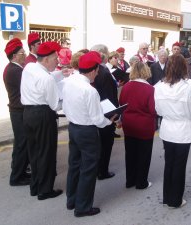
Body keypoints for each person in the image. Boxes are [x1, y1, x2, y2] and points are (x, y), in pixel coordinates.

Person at [63, 51, 117, 217]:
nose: (98, 73)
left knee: (74, 165)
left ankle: (72, 200)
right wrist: (111, 121)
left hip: (73, 127)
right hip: (87, 131)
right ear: (93, 70)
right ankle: (83, 207)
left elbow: (65, 107)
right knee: (88, 169)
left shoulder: (70, 81)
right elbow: (97, 120)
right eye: (98, 70)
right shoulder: (90, 90)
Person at [21, 41, 65, 200]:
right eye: (55, 59)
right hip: (43, 115)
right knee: (46, 152)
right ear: (45, 59)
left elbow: (47, 74)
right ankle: (45, 190)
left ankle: (35, 186)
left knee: (34, 153)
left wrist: (62, 73)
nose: (57, 62)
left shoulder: (30, 67)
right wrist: (67, 96)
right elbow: (55, 105)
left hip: (27, 114)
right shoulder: (47, 79)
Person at [154, 54, 191, 208]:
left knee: (169, 164)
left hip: (167, 128)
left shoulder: (159, 87)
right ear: (183, 68)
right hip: (182, 130)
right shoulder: (188, 89)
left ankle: (168, 197)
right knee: (179, 165)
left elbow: (158, 110)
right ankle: (176, 199)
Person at [119, 61, 156, 189]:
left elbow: (121, 103)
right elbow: (152, 109)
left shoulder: (126, 87)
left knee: (130, 153)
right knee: (144, 155)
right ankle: (141, 182)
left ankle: (130, 180)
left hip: (129, 124)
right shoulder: (150, 89)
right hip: (144, 125)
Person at [3, 38, 30, 186]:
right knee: (21, 144)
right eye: (22, 53)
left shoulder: (13, 68)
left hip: (17, 111)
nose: (24, 55)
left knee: (20, 144)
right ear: (14, 56)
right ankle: (16, 177)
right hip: (18, 112)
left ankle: (19, 171)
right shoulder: (15, 70)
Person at [90, 44, 119, 180]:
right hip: (106, 113)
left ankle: (98, 169)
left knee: (99, 144)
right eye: (107, 53)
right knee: (106, 144)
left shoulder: (96, 70)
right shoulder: (103, 72)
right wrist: (115, 115)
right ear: (102, 54)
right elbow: (109, 96)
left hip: (97, 111)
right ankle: (102, 171)